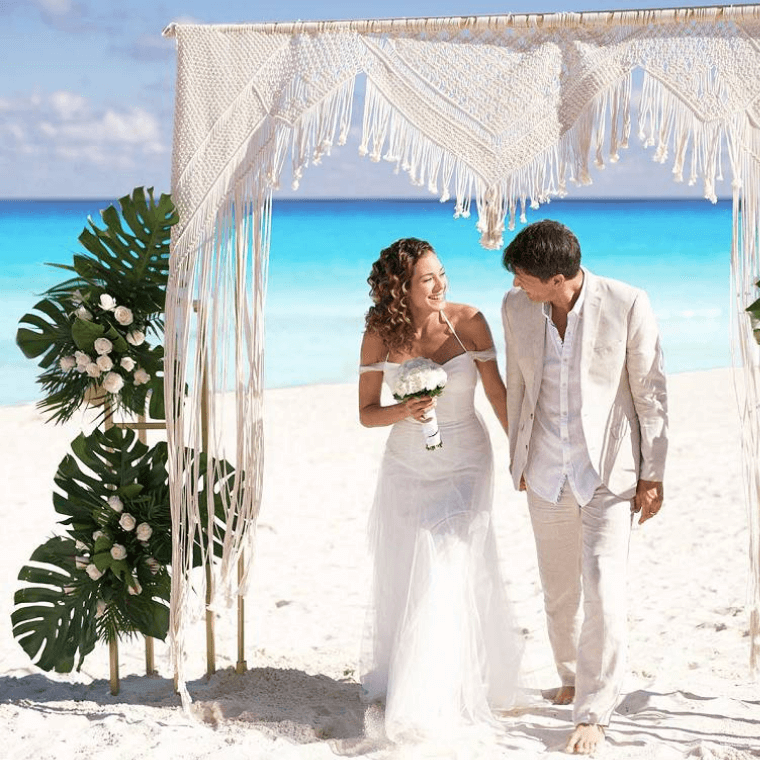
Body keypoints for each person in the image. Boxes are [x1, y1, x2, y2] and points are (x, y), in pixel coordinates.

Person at [501, 219, 668, 755]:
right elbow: (518, 386)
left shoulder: (628, 303)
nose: (516, 286)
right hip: (545, 469)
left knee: (602, 587)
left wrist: (653, 472)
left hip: (608, 474)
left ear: (557, 279)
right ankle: (572, 675)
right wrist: (518, 456)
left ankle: (594, 711)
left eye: (525, 278)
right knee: (559, 592)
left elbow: (650, 392)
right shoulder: (516, 308)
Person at [358, 237, 523, 743]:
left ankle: (447, 688)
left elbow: (495, 391)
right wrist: (404, 411)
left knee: (449, 562)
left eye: (442, 273)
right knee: (413, 570)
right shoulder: (378, 335)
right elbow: (366, 415)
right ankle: (418, 683)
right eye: (426, 279)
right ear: (399, 288)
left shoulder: (468, 321)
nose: (440, 284)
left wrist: (520, 448)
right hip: (407, 465)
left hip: (468, 461)